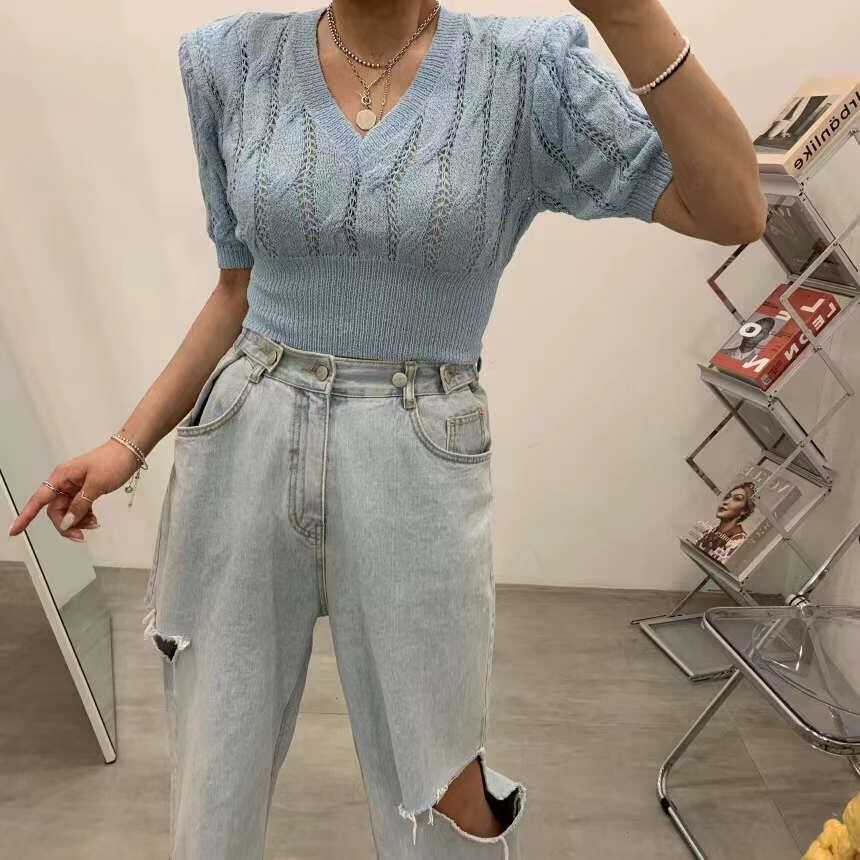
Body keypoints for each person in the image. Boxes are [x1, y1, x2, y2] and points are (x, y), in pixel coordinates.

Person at [7, 1, 768, 857]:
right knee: (214, 777)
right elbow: (236, 291)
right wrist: (125, 445)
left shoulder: (523, 72)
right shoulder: (231, 61)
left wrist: (626, 15)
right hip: (245, 438)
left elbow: (734, 208)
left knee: (442, 789)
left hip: (418, 452)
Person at [692, 481, 757, 566]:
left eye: (737, 499)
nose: (727, 502)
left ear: (744, 510)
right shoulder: (710, 531)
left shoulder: (739, 540)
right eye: (727, 497)